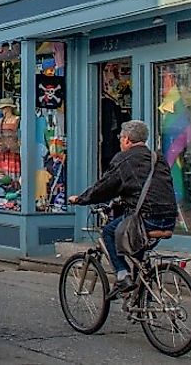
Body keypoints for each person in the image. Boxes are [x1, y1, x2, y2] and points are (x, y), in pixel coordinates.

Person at [69, 120, 178, 295]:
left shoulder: (123, 159)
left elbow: (104, 187)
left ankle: (122, 275)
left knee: (109, 232)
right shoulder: (157, 158)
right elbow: (154, 188)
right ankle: (144, 294)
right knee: (137, 247)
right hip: (169, 217)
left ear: (127, 139)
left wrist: (81, 199)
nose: (120, 141)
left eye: (121, 138)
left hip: (147, 218)